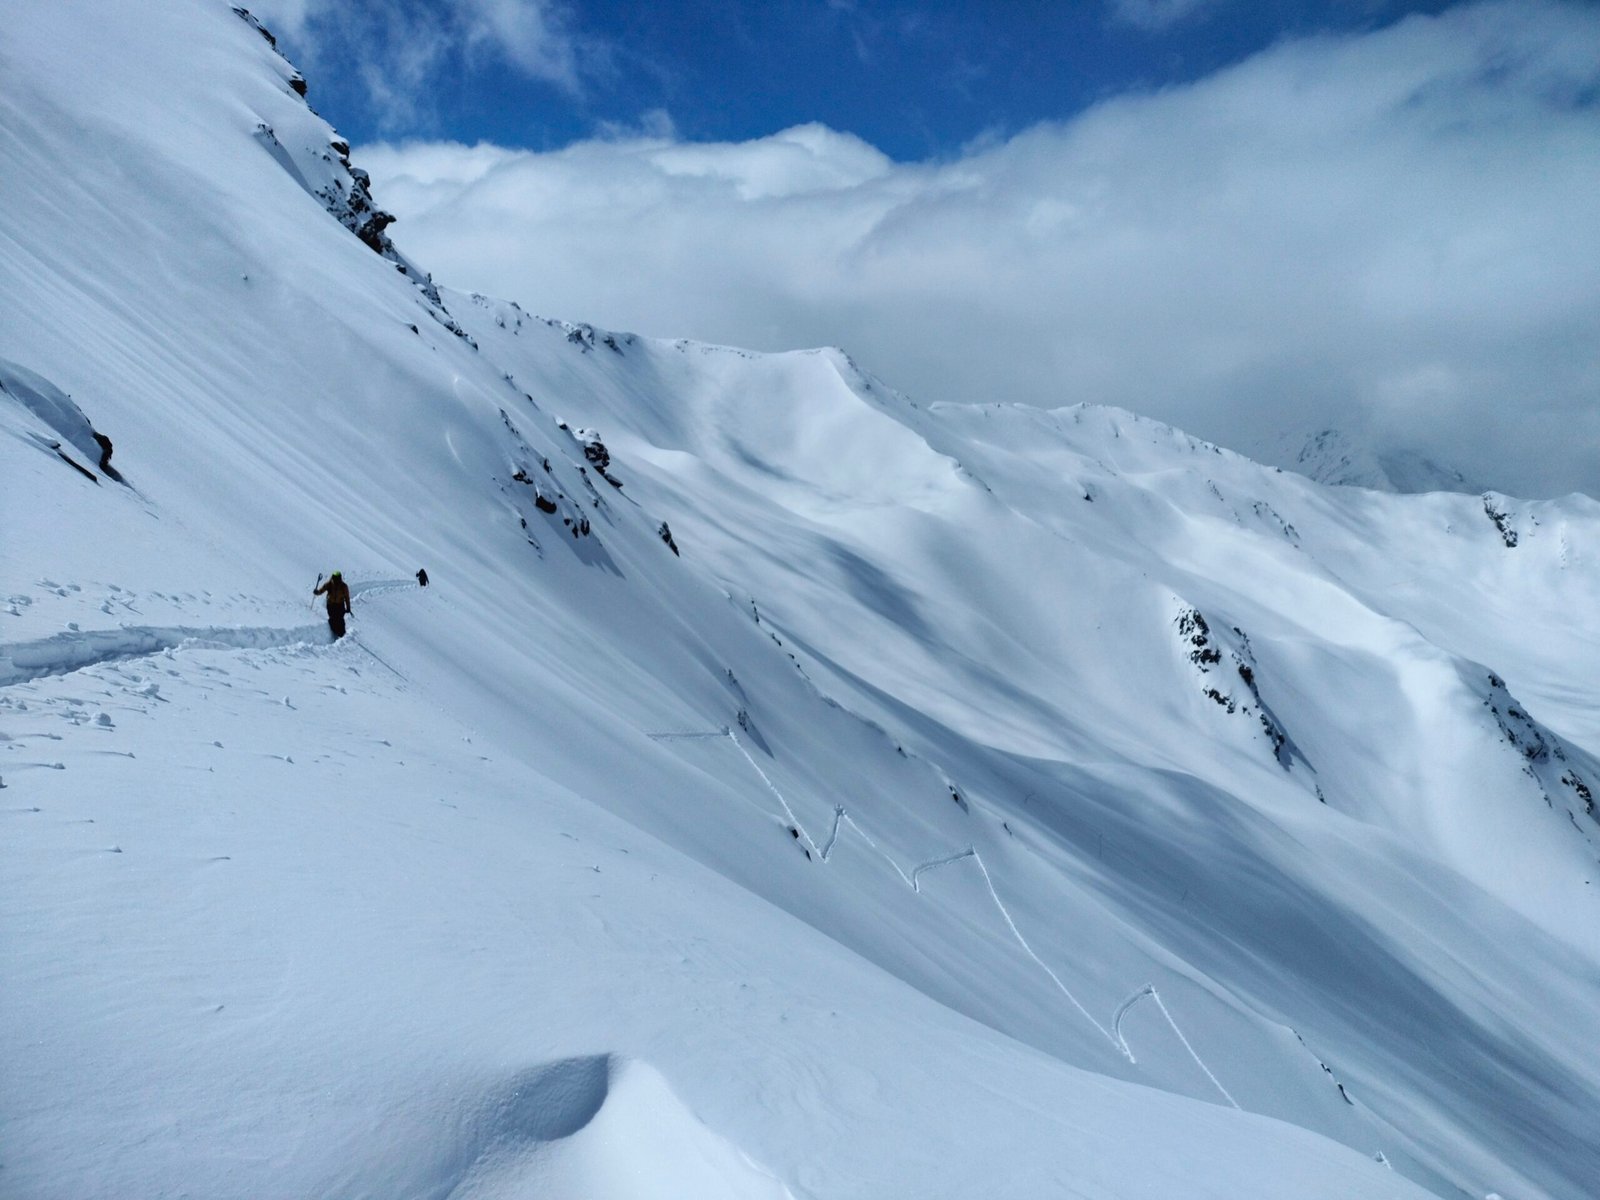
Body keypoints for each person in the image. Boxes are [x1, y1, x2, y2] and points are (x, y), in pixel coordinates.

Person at [314, 570, 352, 639]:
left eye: (338, 577)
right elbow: (322, 590)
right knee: (333, 618)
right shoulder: (329, 584)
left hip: (340, 605)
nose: (336, 579)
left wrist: (348, 608)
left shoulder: (343, 586)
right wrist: (317, 592)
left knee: (340, 619)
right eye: (335, 577)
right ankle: (335, 633)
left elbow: (347, 597)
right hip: (331, 605)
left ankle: (342, 634)